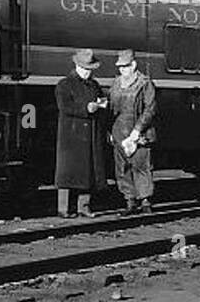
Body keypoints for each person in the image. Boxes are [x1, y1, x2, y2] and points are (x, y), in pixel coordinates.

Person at [54, 49, 108, 218]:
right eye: (85, 68)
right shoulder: (64, 85)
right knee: (67, 173)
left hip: (89, 134)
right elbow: (64, 107)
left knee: (87, 172)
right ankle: (63, 209)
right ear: (77, 66)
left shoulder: (95, 85)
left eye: (90, 69)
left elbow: (102, 102)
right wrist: (86, 108)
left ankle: (83, 207)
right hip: (71, 135)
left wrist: (101, 105)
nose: (88, 72)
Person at [107, 48, 157, 214]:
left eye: (126, 66)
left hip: (139, 132)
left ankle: (145, 201)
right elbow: (111, 108)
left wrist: (137, 131)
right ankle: (129, 200)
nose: (122, 70)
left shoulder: (145, 83)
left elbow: (149, 109)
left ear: (133, 65)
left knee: (141, 166)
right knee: (122, 169)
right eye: (120, 67)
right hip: (119, 131)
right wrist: (110, 131)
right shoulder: (115, 84)